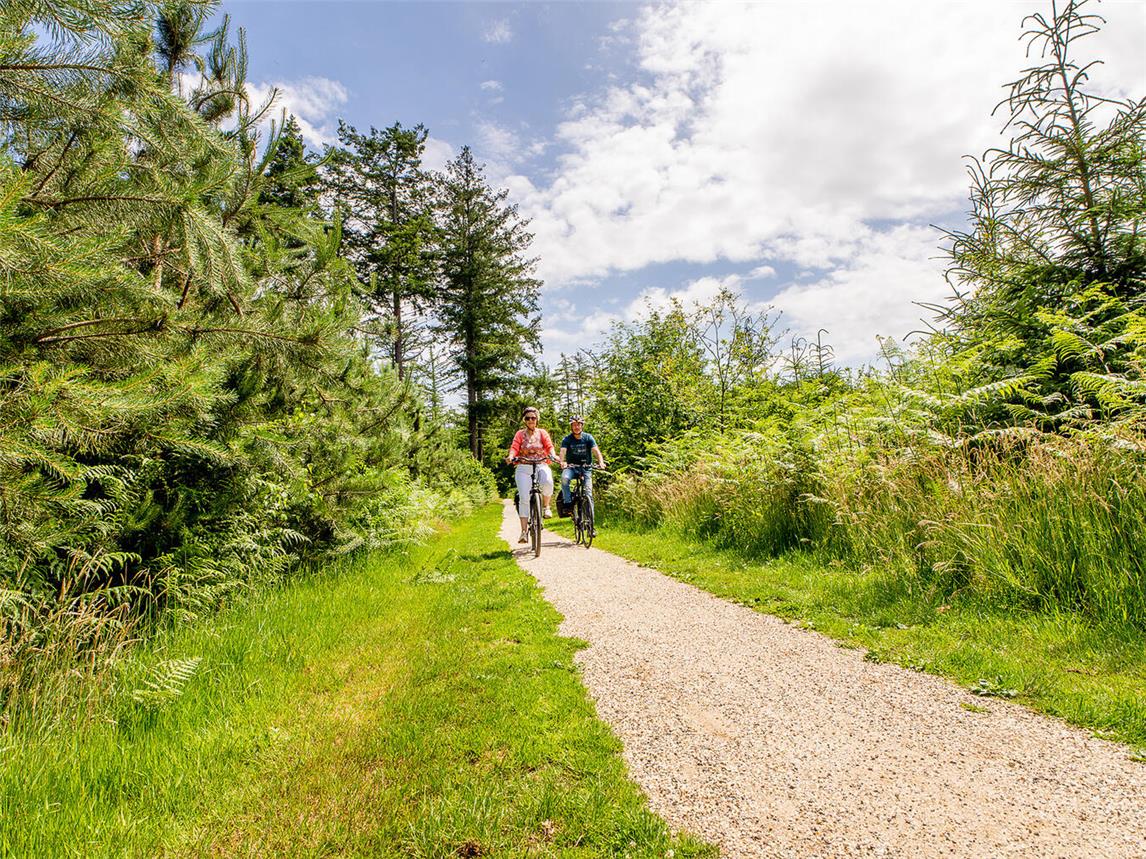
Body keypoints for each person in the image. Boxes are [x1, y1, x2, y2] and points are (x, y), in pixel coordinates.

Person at [506, 406, 557, 543]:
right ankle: (523, 532)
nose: (530, 420)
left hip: (541, 464)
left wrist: (553, 455)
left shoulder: (542, 433)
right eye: (527, 418)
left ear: (537, 419)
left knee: (547, 482)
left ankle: (546, 507)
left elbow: (549, 446)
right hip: (523, 467)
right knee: (524, 498)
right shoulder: (519, 434)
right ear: (524, 420)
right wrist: (511, 457)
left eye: (533, 418)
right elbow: (514, 447)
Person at [559, 416, 606, 534]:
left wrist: (600, 462)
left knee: (588, 495)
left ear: (582, 426)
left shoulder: (588, 437)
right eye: (574, 425)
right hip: (571, 467)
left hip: (586, 468)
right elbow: (562, 452)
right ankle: (568, 503)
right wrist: (562, 462)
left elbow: (596, 451)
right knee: (564, 479)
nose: (576, 427)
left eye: (578, 424)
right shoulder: (567, 439)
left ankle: (591, 526)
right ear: (571, 426)